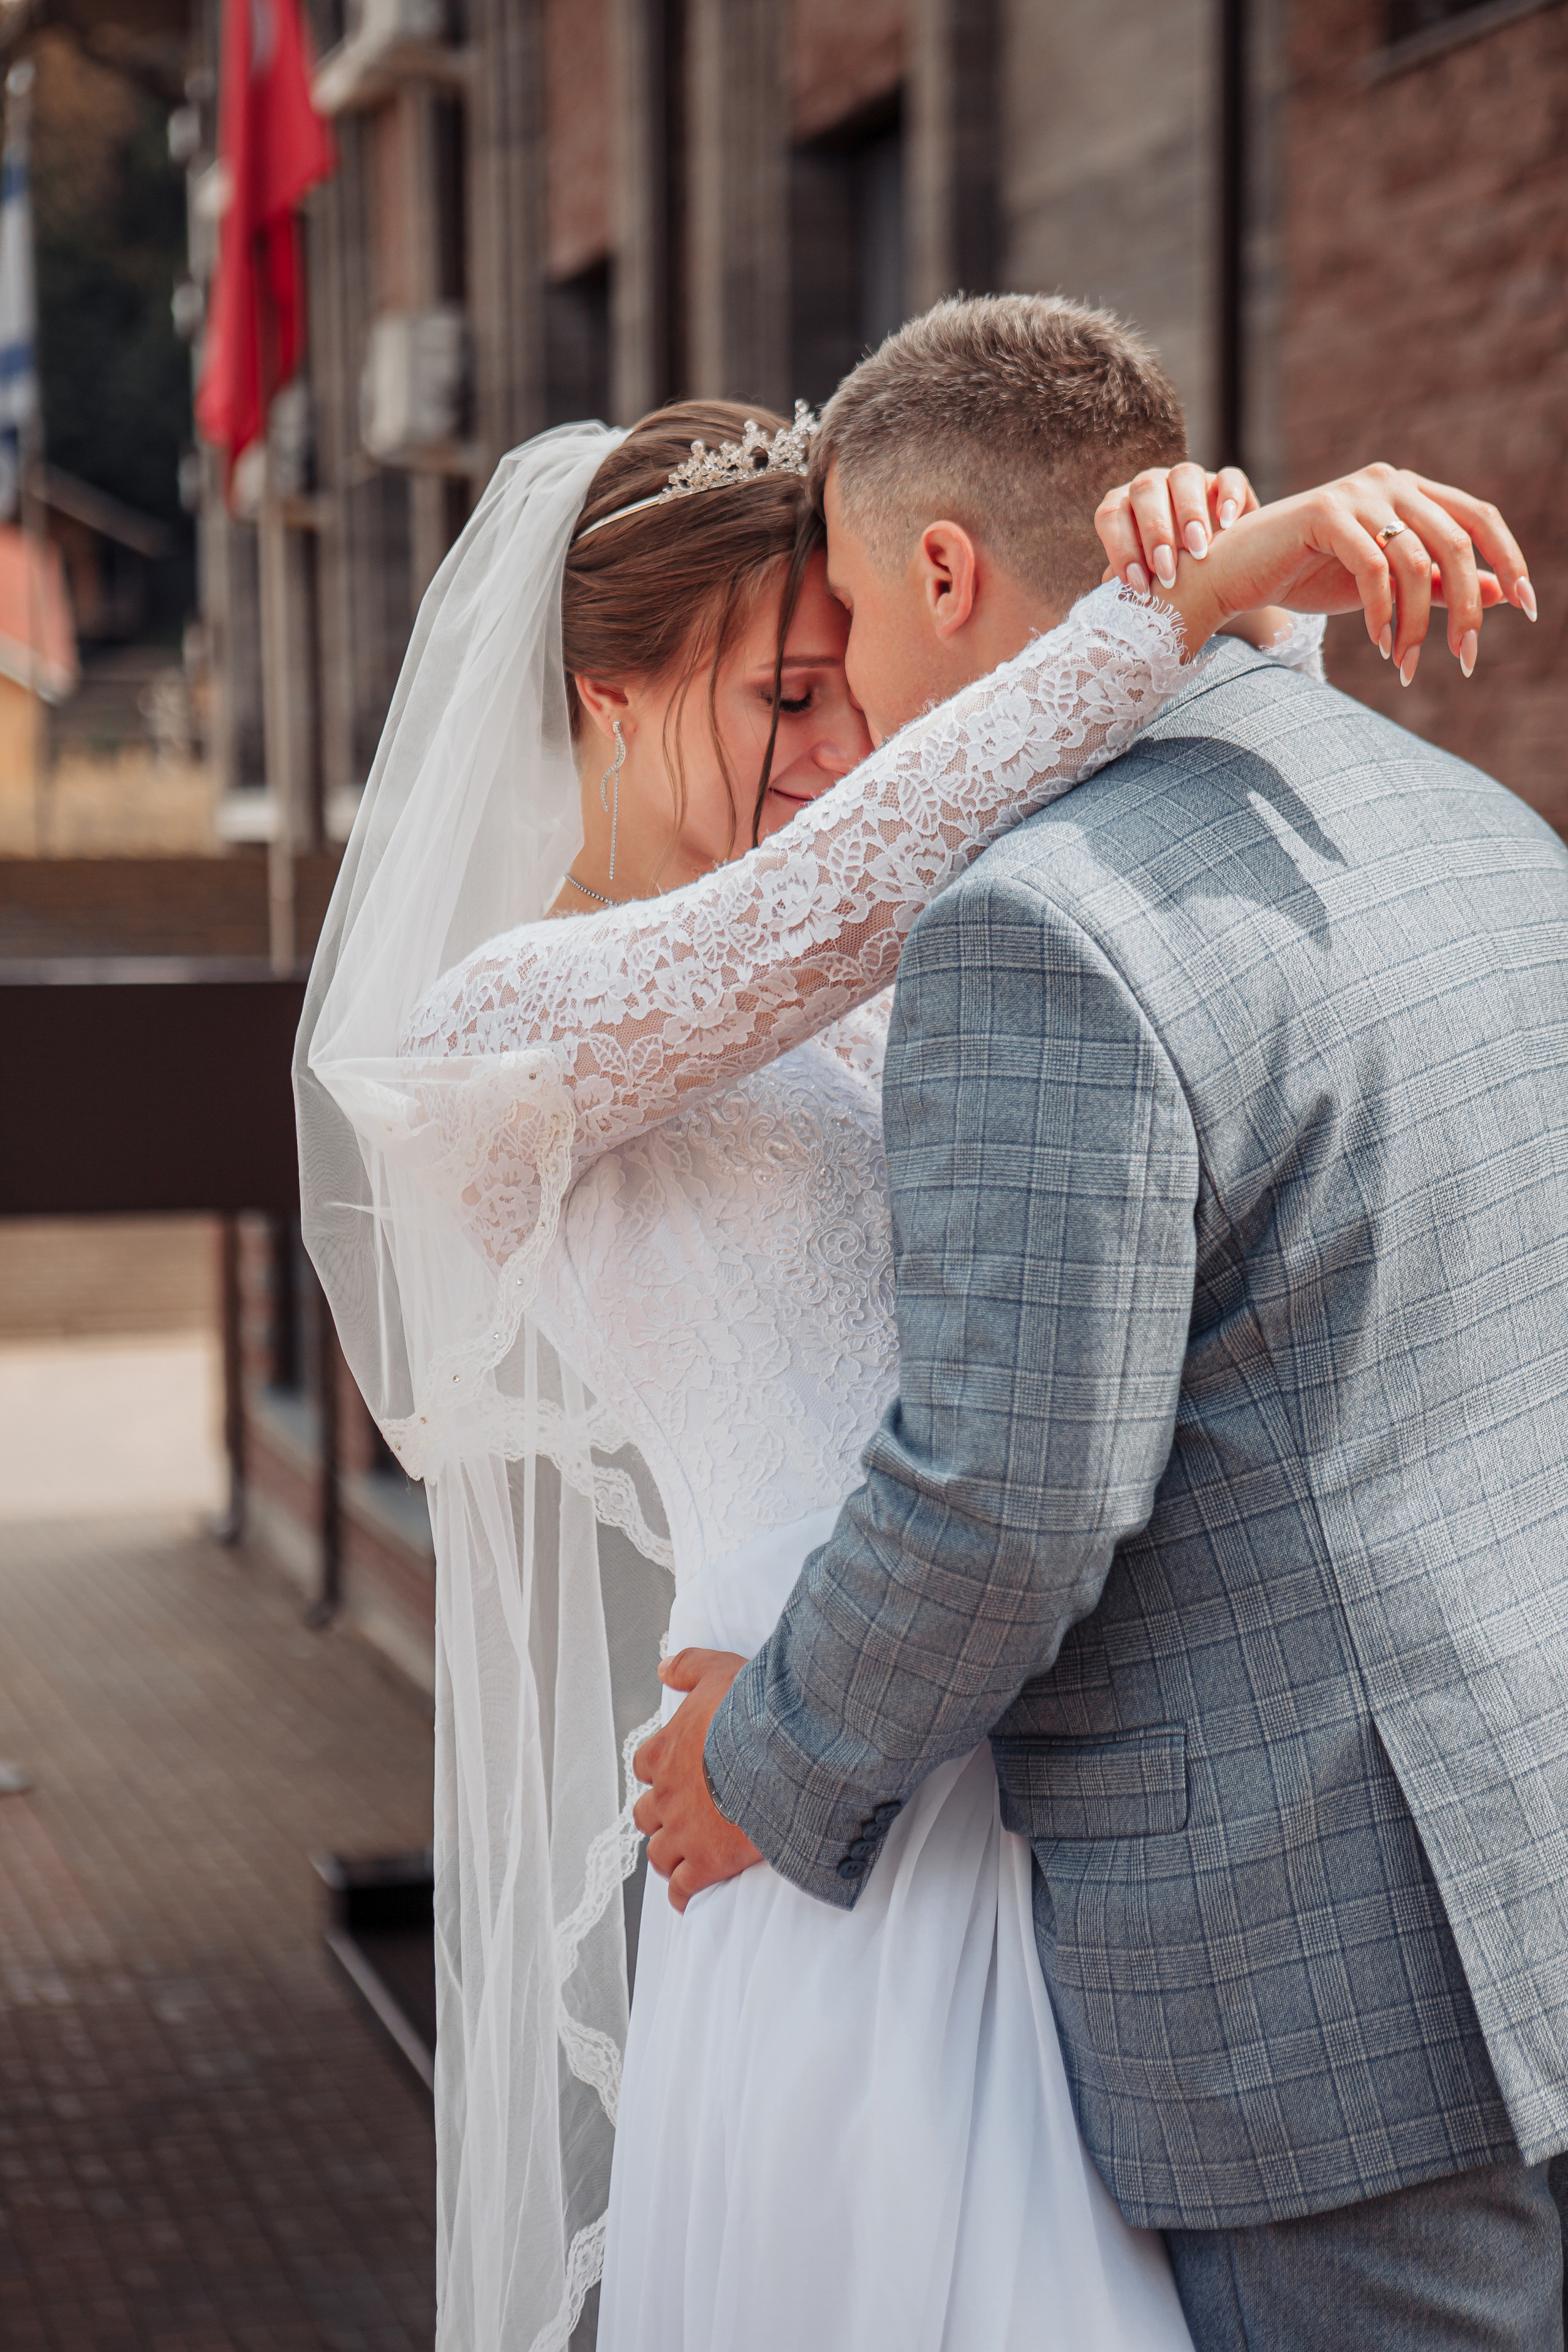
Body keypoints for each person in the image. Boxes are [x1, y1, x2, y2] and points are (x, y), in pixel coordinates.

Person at [295, 296, 1525, 2352]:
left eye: (844, 677)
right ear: (605, 694)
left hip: (1065, 1786)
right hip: (791, 1797)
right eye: (783, 695)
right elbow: (821, 908)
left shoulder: (939, 937)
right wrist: (1185, 599)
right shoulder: (501, 1026)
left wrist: (1205, 607)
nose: (842, 747)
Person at [635, 295, 1568, 2352]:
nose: (860, 722)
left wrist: (759, 1759)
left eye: (854, 640)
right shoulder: (1489, 832)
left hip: (1328, 2004)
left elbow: (1010, 1496)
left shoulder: (1036, 924)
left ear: (946, 574)